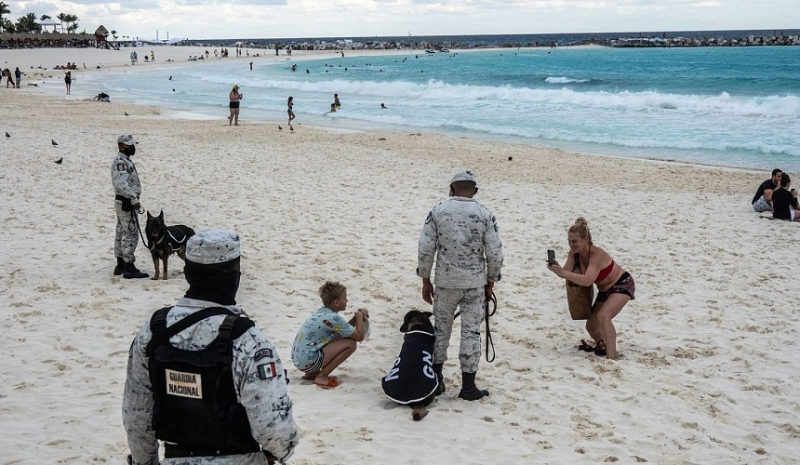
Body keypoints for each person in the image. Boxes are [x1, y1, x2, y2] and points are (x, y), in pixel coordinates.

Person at [123, 228, 299, 464]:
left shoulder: (153, 332)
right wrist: (280, 453)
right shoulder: (249, 341)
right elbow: (274, 429)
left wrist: (146, 461)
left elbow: (136, 416)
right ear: (236, 275)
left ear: (187, 273)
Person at [417, 169, 503, 401]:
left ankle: (436, 380)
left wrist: (425, 279)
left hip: (445, 282)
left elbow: (426, 248)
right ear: (474, 190)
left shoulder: (438, 211)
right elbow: (494, 252)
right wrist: (492, 281)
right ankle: (468, 386)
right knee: (471, 333)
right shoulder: (485, 214)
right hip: (475, 283)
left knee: (441, 330)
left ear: (452, 187)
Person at [547, 217, 635, 360]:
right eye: (569, 241)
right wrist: (557, 269)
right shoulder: (573, 253)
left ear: (585, 240)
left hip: (622, 283)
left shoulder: (596, 254)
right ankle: (602, 343)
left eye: (574, 241)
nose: (571, 245)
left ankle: (611, 357)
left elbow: (588, 280)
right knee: (591, 326)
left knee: (604, 316)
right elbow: (566, 273)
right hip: (605, 290)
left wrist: (564, 273)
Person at [291, 281, 369, 389]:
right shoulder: (334, 318)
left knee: (338, 338)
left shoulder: (323, 313)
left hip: (299, 360)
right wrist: (360, 315)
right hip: (309, 361)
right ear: (336, 303)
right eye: (345, 298)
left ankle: (310, 374)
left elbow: (344, 332)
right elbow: (359, 336)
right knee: (351, 344)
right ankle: (322, 376)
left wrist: (355, 320)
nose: (347, 300)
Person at [111, 134, 149, 279]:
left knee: (121, 231)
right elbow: (121, 184)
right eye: (128, 145)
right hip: (126, 202)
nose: (132, 147)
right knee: (130, 233)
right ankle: (128, 267)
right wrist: (134, 199)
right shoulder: (121, 162)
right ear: (121, 146)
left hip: (122, 202)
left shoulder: (123, 160)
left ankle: (120, 264)